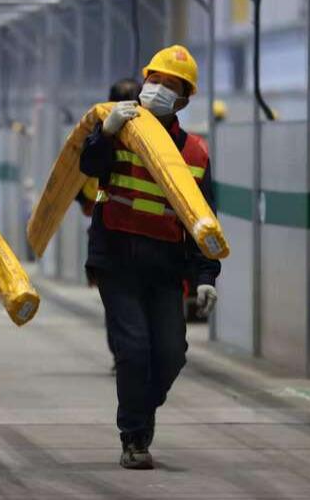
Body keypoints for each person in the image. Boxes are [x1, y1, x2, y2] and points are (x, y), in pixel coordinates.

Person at [79, 45, 221, 470]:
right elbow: (89, 165)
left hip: (165, 268)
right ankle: (134, 437)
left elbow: (202, 218)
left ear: (183, 100)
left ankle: (142, 408)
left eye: (169, 85)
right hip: (117, 261)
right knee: (134, 350)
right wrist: (105, 132)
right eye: (153, 80)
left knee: (172, 353)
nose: (157, 89)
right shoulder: (119, 130)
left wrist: (206, 276)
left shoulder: (195, 153)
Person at [75, 78, 142, 374]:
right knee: (117, 304)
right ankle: (123, 356)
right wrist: (101, 201)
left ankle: (131, 354)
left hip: (145, 236)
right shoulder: (100, 135)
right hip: (112, 235)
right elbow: (90, 182)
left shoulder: (151, 138)